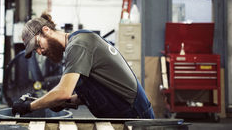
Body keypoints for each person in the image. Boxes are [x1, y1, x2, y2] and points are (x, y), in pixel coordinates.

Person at [12, 12, 155, 118]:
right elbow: (87, 95)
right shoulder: (72, 49)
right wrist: (55, 102)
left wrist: (29, 107)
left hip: (135, 116)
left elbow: (63, 92)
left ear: (46, 30)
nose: (39, 52)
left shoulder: (78, 44)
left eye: (37, 45)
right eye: (34, 50)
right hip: (122, 115)